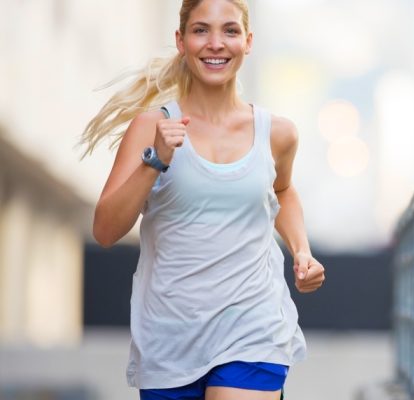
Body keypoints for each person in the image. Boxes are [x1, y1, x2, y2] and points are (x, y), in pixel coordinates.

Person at [79, 0, 325, 399]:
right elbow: (105, 231)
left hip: (253, 328)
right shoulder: (150, 127)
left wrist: (302, 251)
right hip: (169, 338)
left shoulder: (277, 133)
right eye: (200, 31)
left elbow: (281, 190)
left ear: (247, 41)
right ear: (181, 41)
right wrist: (154, 160)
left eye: (229, 31)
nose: (216, 43)